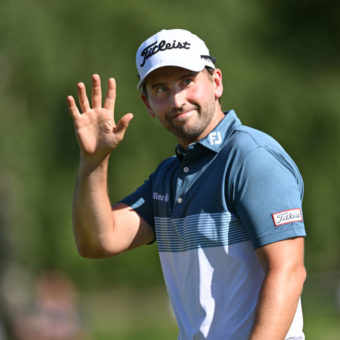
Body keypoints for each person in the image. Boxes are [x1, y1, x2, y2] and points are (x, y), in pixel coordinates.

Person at [67, 28, 307, 340]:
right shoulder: (168, 177)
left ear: (216, 82)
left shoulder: (251, 158)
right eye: (161, 89)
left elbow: (288, 272)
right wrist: (94, 161)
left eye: (187, 81)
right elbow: (97, 241)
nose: (178, 99)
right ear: (148, 105)